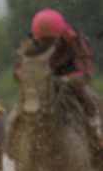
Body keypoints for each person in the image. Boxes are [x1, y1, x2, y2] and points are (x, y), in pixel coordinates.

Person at [23, 8, 102, 149]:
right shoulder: (32, 42)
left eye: (50, 40)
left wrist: (71, 79)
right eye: (43, 41)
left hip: (72, 78)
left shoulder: (75, 40)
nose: (47, 44)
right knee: (23, 105)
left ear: (59, 35)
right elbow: (21, 69)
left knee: (88, 97)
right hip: (45, 80)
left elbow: (86, 70)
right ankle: (14, 141)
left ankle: (95, 127)